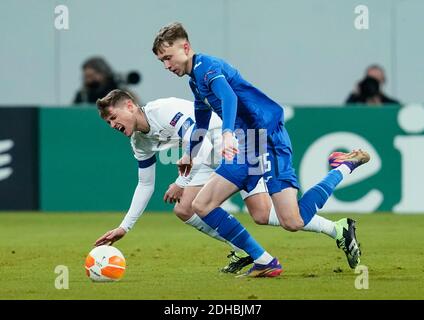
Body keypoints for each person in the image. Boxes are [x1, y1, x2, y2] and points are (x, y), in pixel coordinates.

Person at [152, 22, 370, 277]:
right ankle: (265, 261)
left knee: (293, 220)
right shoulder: (195, 83)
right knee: (207, 206)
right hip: (247, 145)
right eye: (162, 61)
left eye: (168, 57)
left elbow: (229, 98)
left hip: (267, 138)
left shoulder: (207, 67)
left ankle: (345, 168)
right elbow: (201, 120)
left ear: (185, 47)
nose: (167, 66)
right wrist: (190, 152)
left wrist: (227, 133)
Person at [93, 89, 364, 276]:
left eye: (113, 117)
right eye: (107, 123)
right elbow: (145, 184)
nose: (112, 125)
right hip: (212, 157)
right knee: (246, 213)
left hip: (238, 143)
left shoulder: (163, 110)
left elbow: (196, 137)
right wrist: (124, 227)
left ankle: (262, 258)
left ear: (129, 105)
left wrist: (181, 180)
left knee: (281, 217)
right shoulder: (139, 142)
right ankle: (335, 229)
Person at [74, 56, 140, 105]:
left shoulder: (118, 90)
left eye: (91, 76)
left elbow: (135, 106)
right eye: (86, 77)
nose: (89, 80)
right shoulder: (83, 95)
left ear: (103, 74)